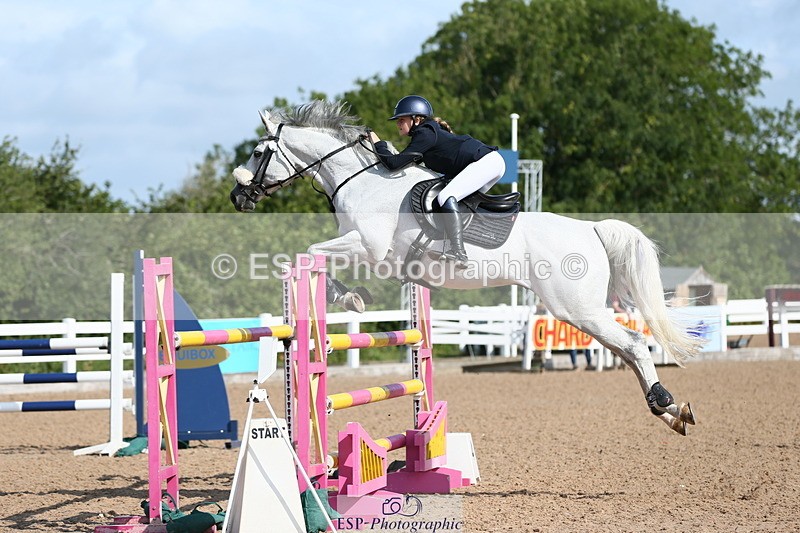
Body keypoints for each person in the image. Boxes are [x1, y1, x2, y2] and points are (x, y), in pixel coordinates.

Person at [368, 95, 506, 266]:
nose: (398, 123)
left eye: (401, 119)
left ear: (416, 119)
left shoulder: (424, 133)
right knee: (458, 203)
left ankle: (459, 253)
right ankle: (458, 246)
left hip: (487, 162)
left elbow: (393, 164)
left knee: (445, 196)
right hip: (489, 163)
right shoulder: (426, 134)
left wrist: (378, 143)